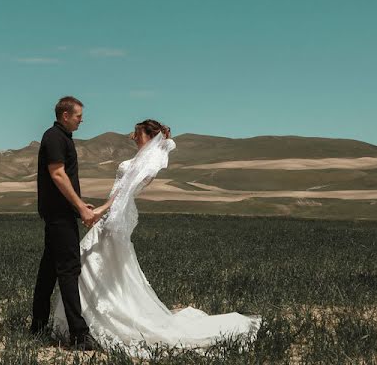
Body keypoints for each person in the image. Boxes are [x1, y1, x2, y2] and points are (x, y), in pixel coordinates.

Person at [51, 119, 261, 357]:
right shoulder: (142, 158)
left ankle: (94, 321)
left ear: (149, 136)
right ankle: (82, 323)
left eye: (138, 133)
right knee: (94, 263)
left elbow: (125, 192)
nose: (133, 136)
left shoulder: (148, 161)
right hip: (113, 214)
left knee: (89, 261)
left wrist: (101, 210)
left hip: (115, 215)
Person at [30, 96, 103, 351]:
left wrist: (79, 204)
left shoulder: (61, 138)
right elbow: (58, 175)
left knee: (49, 271)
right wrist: (80, 207)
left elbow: (63, 177)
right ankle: (79, 335)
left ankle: (37, 327)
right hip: (60, 217)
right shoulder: (54, 137)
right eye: (78, 116)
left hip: (61, 214)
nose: (81, 120)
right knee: (69, 271)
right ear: (65, 115)